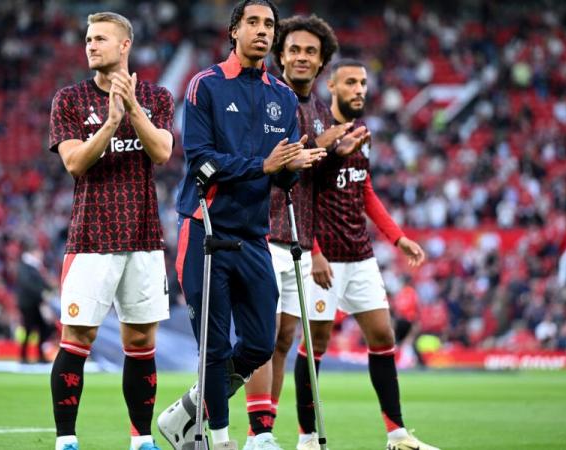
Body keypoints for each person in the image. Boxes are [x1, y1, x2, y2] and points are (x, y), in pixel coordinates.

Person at [157, 2, 325, 449]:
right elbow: (200, 162)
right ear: (235, 31)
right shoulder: (205, 86)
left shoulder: (283, 97)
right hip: (206, 230)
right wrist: (264, 164)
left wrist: (296, 166)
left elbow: (281, 174)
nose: (263, 31)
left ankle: (194, 405)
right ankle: (221, 438)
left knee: (259, 343)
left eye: (269, 24)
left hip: (254, 236)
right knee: (212, 347)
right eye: (253, 22)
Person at [48, 11, 174, 450]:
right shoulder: (69, 98)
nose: (91, 45)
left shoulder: (156, 96)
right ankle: (66, 440)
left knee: (141, 340)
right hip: (90, 238)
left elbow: (161, 152)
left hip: (143, 236)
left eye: (100, 38)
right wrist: (110, 122)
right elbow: (74, 163)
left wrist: (132, 108)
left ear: (125, 46)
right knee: (77, 336)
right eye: (88, 38)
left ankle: (141, 441)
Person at [239, 14, 365, 450]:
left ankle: (265, 431)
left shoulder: (314, 108)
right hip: (262, 231)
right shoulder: (267, 97)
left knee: (284, 339)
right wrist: (323, 146)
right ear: (281, 55)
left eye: (310, 51)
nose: (300, 57)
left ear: (322, 61)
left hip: (298, 238)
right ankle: (251, 431)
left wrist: (334, 154)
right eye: (293, 49)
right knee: (260, 336)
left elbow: (311, 180)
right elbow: (271, 161)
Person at [308, 58, 440, 450]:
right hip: (324, 257)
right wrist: (312, 251)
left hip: (360, 254)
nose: (359, 90)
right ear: (331, 86)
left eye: (363, 83)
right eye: (350, 82)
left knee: (383, 335)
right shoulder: (317, 133)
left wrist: (397, 238)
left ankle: (397, 436)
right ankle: (307, 438)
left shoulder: (362, 134)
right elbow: (302, 196)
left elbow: (363, 190)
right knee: (314, 343)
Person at [16, 247, 54, 364]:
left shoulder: (34, 267)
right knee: (29, 329)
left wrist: (50, 289)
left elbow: (41, 283)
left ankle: (39, 355)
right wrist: (42, 292)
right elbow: (27, 283)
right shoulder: (25, 266)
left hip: (36, 303)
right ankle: (24, 356)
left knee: (43, 328)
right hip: (28, 303)